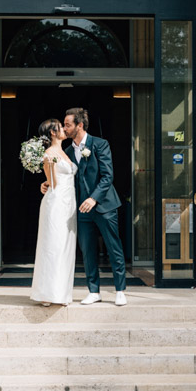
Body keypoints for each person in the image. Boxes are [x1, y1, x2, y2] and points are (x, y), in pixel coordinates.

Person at [41, 108, 127, 306]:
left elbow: (107, 176)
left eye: (68, 124)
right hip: (79, 208)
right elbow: (61, 177)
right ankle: (94, 291)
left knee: (114, 248)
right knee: (87, 250)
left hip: (104, 205)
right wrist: (46, 183)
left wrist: (94, 199)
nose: (64, 128)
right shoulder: (67, 151)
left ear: (79, 125)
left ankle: (120, 290)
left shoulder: (100, 144)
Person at [31, 119, 77, 307]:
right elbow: (53, 183)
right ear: (52, 132)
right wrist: (48, 169)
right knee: (53, 245)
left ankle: (62, 293)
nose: (64, 129)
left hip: (69, 203)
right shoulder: (49, 153)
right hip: (56, 203)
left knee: (66, 247)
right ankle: (48, 293)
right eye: (60, 126)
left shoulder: (65, 153)